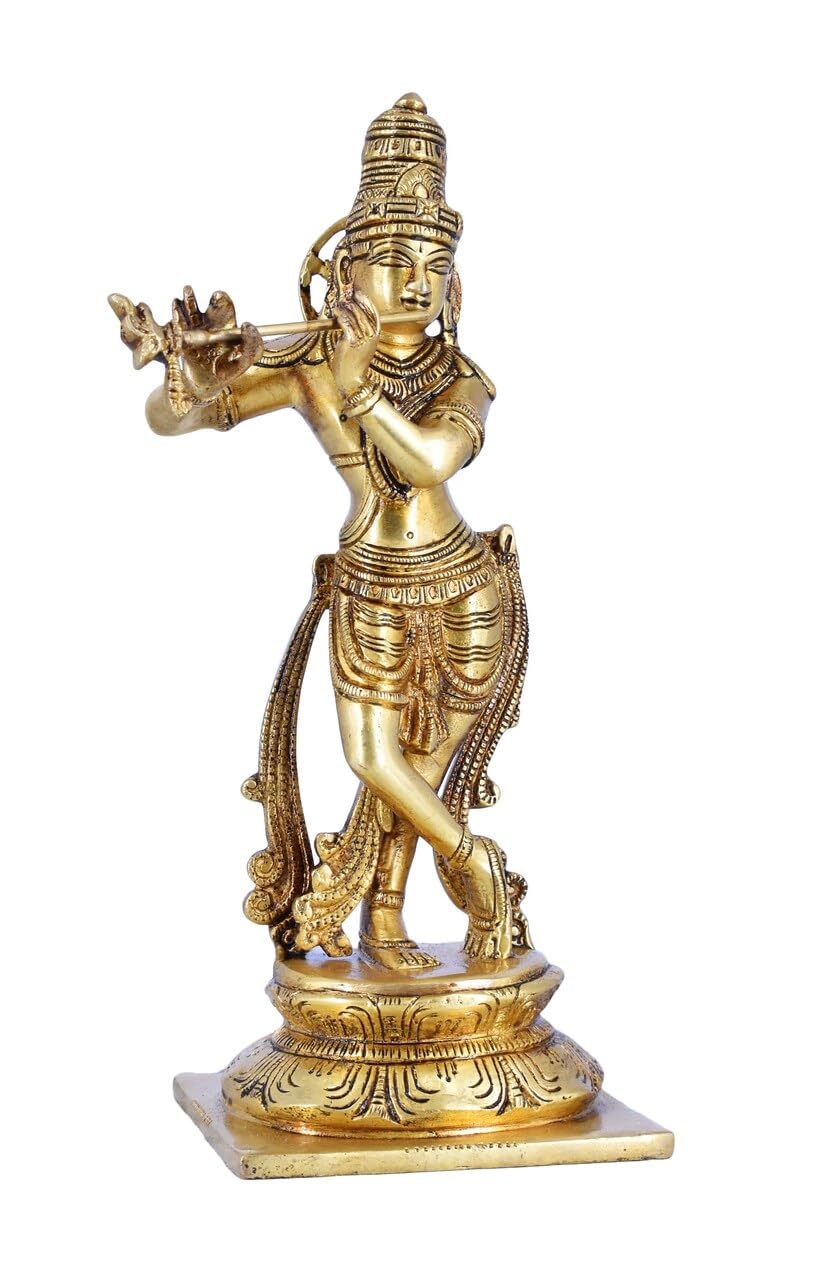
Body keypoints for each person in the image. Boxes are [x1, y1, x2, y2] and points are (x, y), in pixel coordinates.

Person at [113, 94, 531, 969]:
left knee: (416, 768)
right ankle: (477, 864)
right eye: (393, 260)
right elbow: (172, 421)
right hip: (370, 580)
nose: (415, 282)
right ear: (345, 277)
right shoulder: (307, 364)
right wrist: (190, 378)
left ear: (456, 287)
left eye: (435, 265)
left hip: (464, 587)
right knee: (375, 758)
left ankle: (386, 916)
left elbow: (429, 462)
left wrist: (359, 384)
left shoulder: (461, 376)